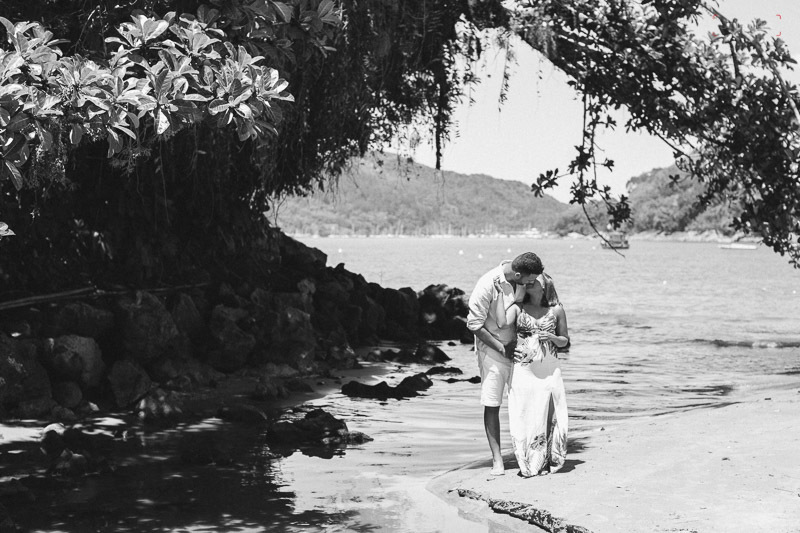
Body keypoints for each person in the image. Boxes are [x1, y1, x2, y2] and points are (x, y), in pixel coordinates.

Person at [466, 252, 544, 476]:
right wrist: (501, 347)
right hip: (492, 351)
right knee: (492, 404)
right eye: (529, 280)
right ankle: (497, 460)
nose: (531, 284)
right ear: (518, 273)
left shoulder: (521, 279)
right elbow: (474, 325)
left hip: (521, 353)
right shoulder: (486, 285)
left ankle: (529, 454)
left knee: (526, 402)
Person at [497, 272, 570, 477]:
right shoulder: (519, 308)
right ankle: (528, 460)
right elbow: (502, 322)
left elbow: (565, 340)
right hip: (523, 368)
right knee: (524, 410)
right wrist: (507, 295)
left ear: (546, 285)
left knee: (549, 411)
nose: (530, 282)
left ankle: (547, 460)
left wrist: (553, 337)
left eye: (534, 281)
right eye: (528, 281)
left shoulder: (556, 310)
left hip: (549, 367)